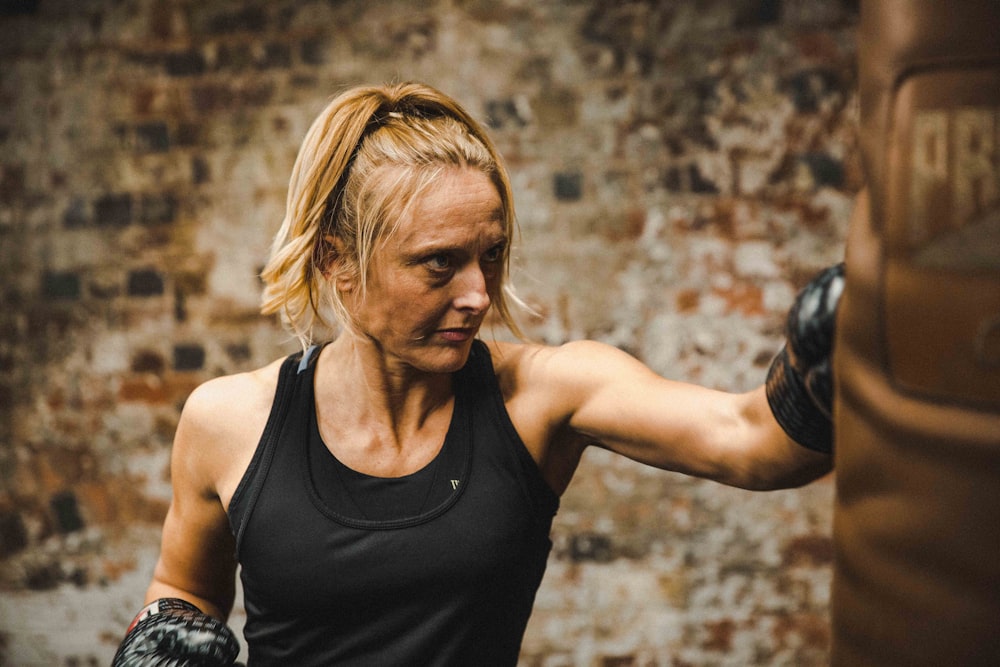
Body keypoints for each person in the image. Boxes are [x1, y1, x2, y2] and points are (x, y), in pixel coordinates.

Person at [112, 81, 838, 666]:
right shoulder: (228, 422)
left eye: (490, 254)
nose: (478, 294)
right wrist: (163, 631)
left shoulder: (543, 398)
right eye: (439, 263)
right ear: (338, 261)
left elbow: (753, 442)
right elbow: (184, 589)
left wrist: (815, 364)